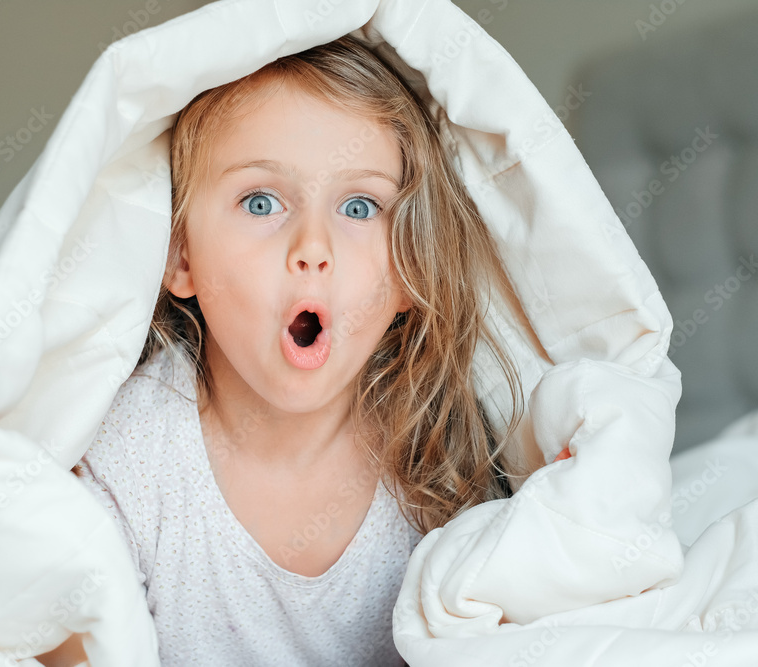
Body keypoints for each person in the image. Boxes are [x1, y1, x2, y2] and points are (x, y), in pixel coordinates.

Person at [71, 34, 525, 665]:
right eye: (262, 202)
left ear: (408, 271)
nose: (314, 247)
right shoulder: (126, 461)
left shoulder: (441, 454)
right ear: (180, 255)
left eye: (359, 206)